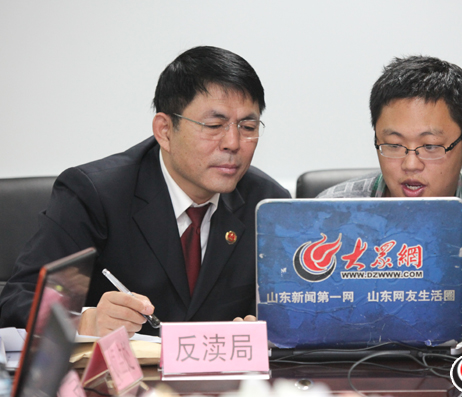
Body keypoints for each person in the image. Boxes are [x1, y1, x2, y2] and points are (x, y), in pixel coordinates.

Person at [0, 46, 290, 337]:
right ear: (165, 130)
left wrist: (271, 329)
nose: (233, 143)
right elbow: (18, 300)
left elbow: (295, 311)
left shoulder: (268, 205)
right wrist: (85, 321)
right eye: (214, 125)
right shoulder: (96, 194)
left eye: (248, 126)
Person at [318, 56, 462, 340]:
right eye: (393, 144)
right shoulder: (333, 207)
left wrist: (391, 288)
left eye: (431, 146)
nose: (410, 164)